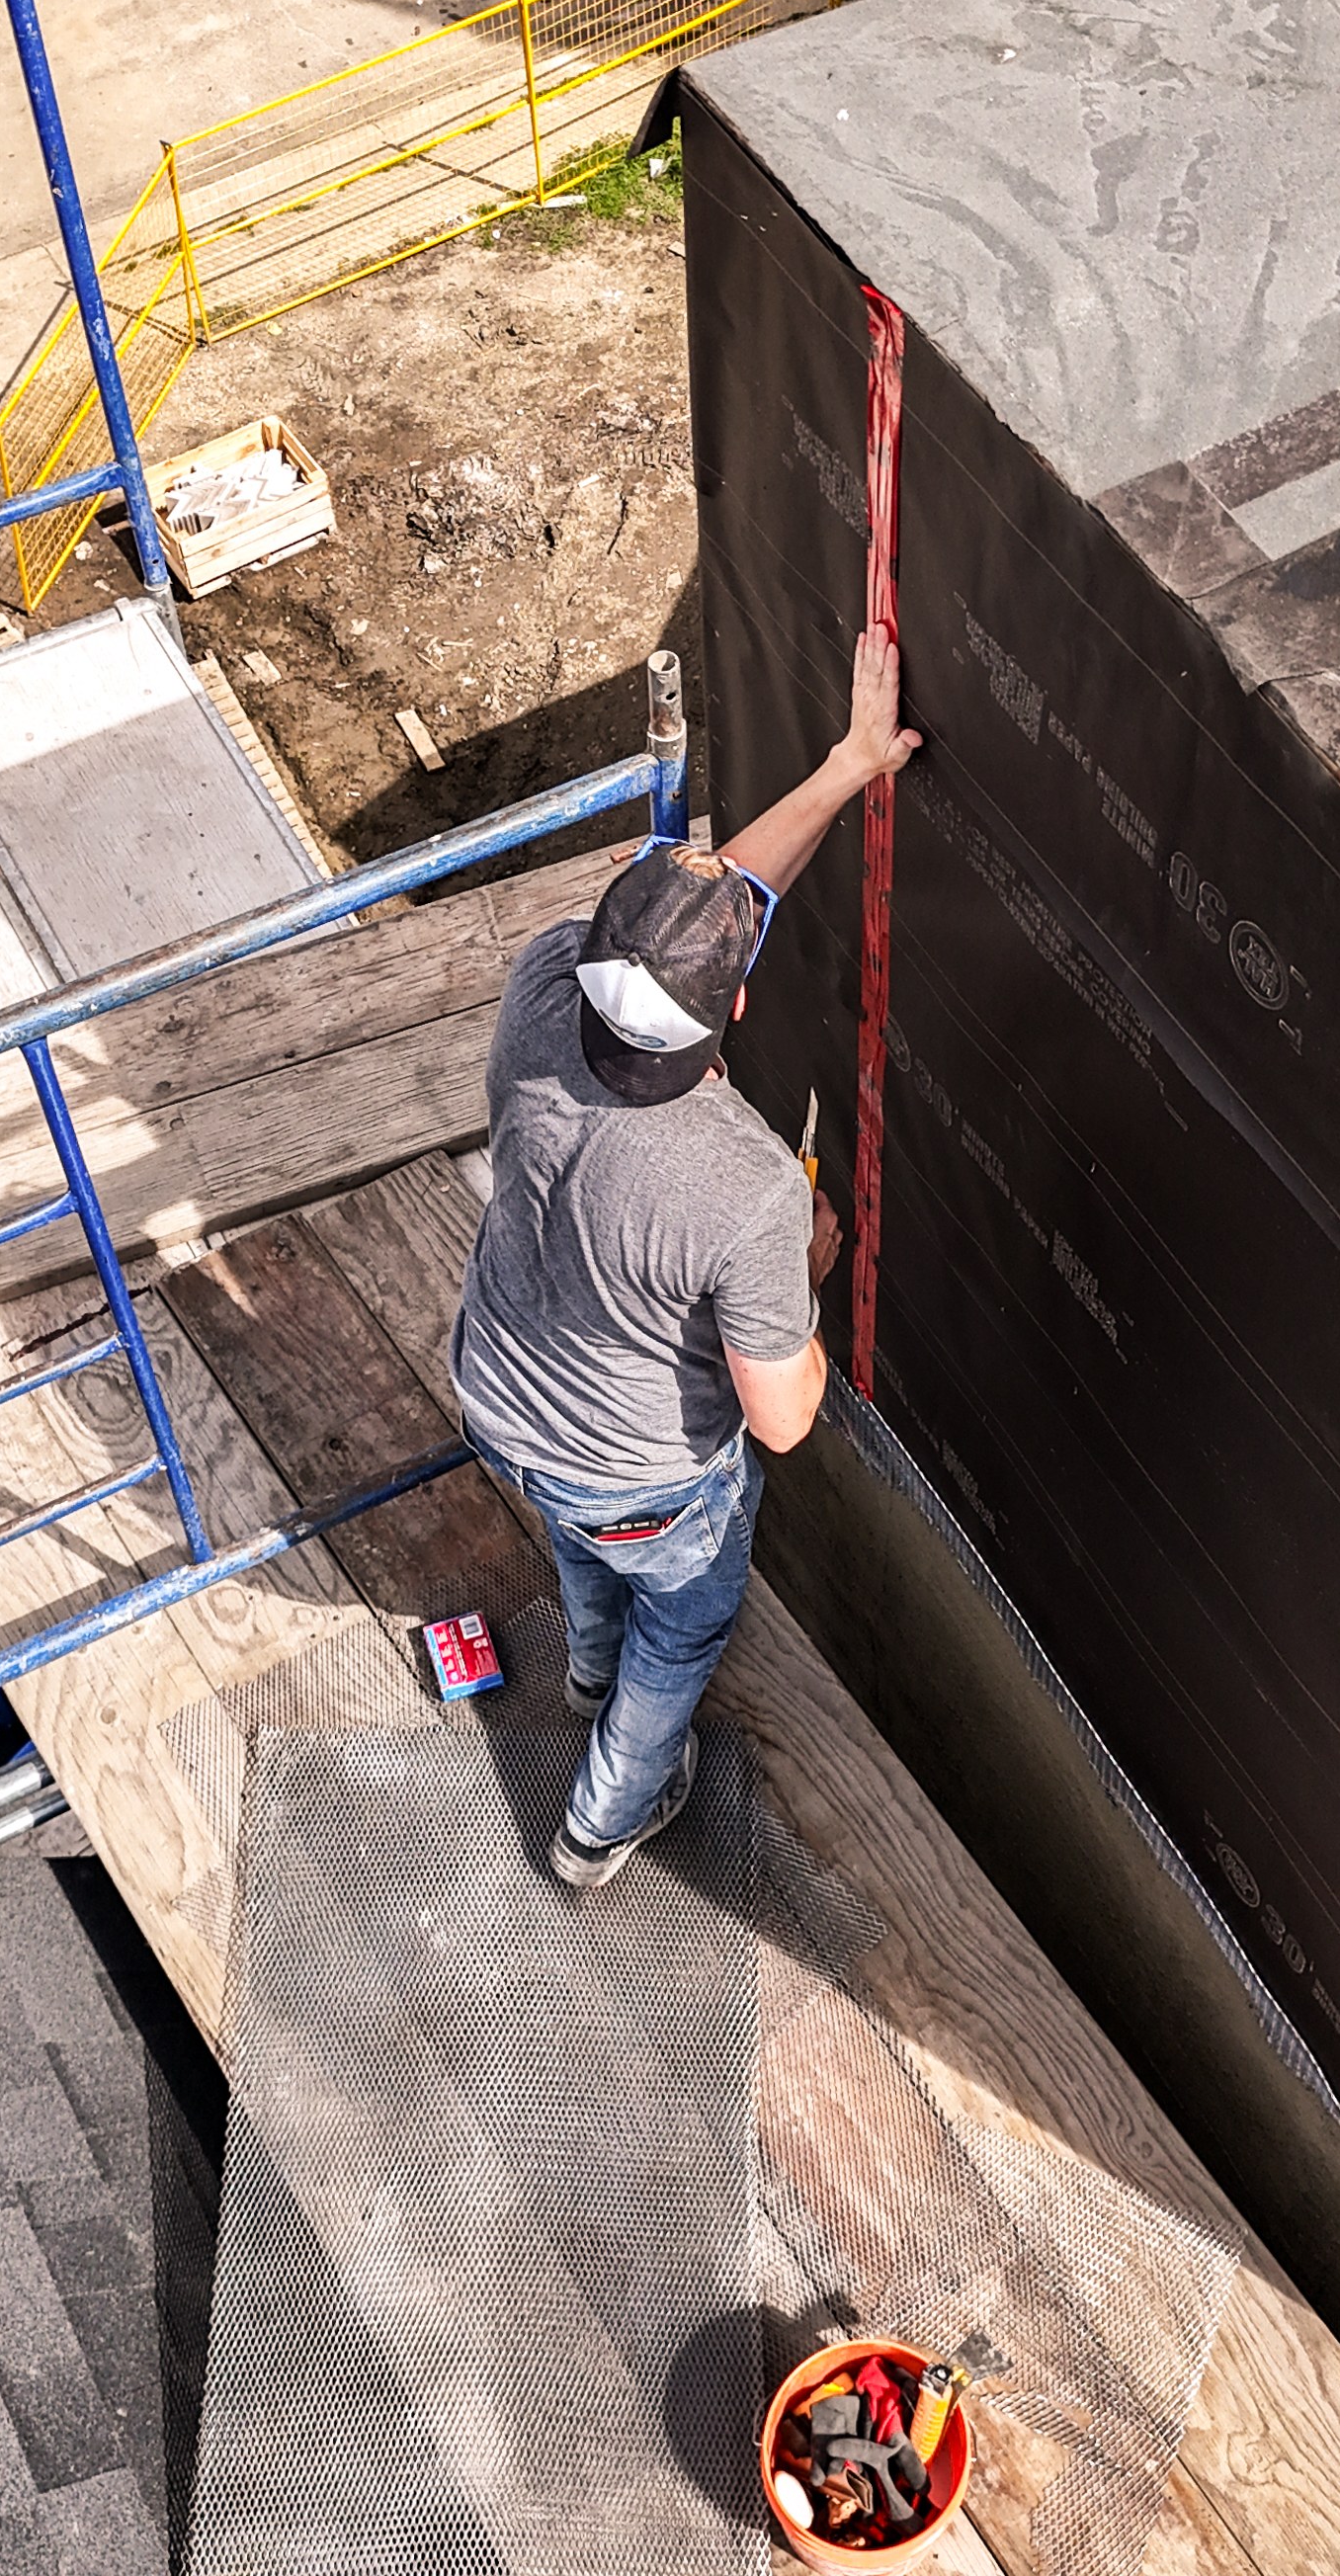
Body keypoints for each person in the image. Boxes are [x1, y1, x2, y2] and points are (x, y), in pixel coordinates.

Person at [452, 628, 920, 1888]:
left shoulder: (546, 981)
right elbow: (779, 1419)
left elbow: (712, 913)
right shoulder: (745, 1186)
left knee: (579, 1534)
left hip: (499, 1389)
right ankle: (608, 1813)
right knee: (687, 1615)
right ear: (739, 1013)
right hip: (643, 1475)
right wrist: (804, 1274)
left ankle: (584, 1663)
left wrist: (845, 768)